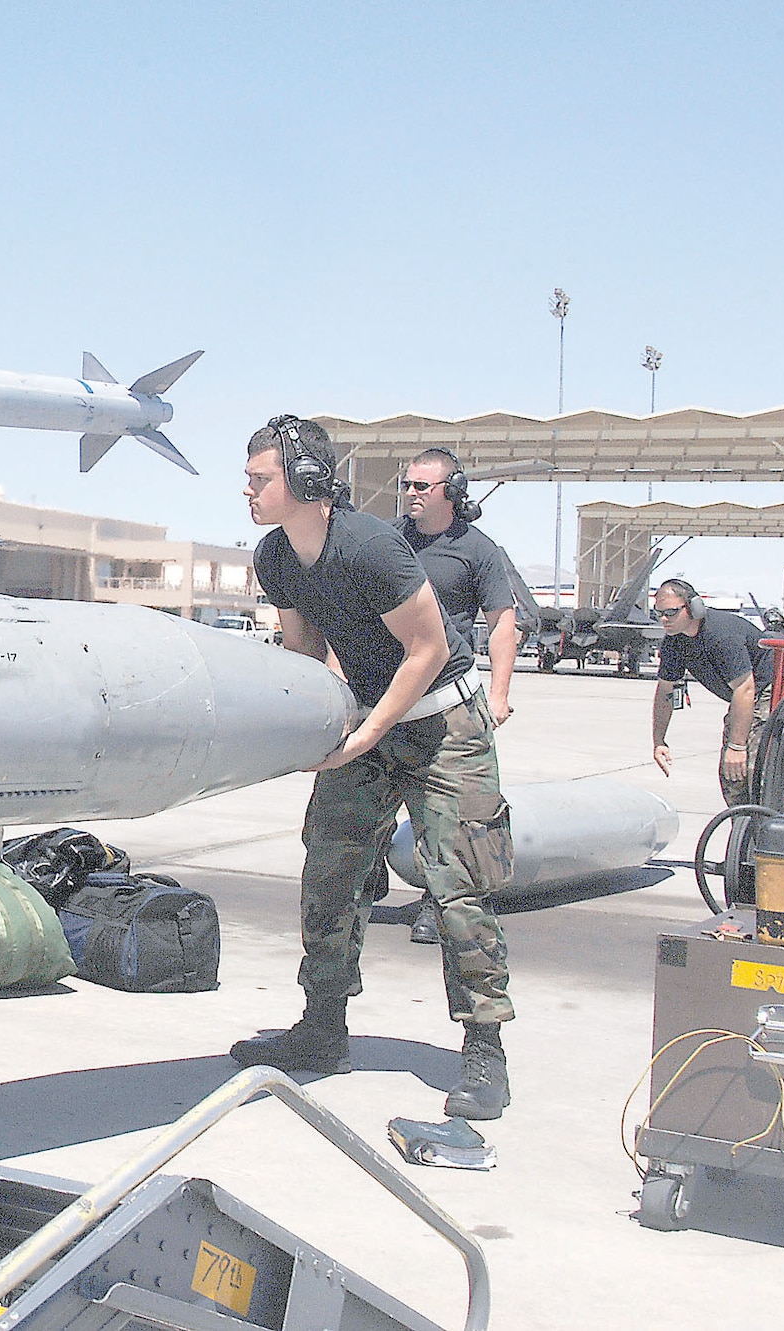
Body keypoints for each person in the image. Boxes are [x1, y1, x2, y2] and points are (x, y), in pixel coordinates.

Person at [231, 416, 517, 1121]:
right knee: (329, 869)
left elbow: (425, 649)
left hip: (444, 721)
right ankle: (323, 1027)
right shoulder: (275, 556)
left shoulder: (370, 546)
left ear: (304, 481)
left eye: (260, 477)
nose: (247, 490)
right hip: (367, 723)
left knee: (458, 885)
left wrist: (367, 734)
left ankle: (484, 1046)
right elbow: (302, 650)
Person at [391, 447, 520, 945]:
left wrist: (500, 692)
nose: (410, 494)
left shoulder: (478, 550)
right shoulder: (389, 541)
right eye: (408, 484)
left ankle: (434, 903)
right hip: (383, 696)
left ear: (453, 491)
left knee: (446, 820)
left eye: (422, 486)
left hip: (443, 702)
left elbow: (501, 623)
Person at [651, 578, 774, 807]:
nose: (664, 620)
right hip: (746, 694)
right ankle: (744, 829)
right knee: (732, 776)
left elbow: (746, 689)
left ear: (693, 607)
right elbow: (666, 691)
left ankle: (767, 822)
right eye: (659, 613)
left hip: (774, 686)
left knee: (750, 764)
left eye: (671, 612)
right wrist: (659, 740)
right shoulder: (674, 643)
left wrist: (737, 746)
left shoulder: (720, 634)